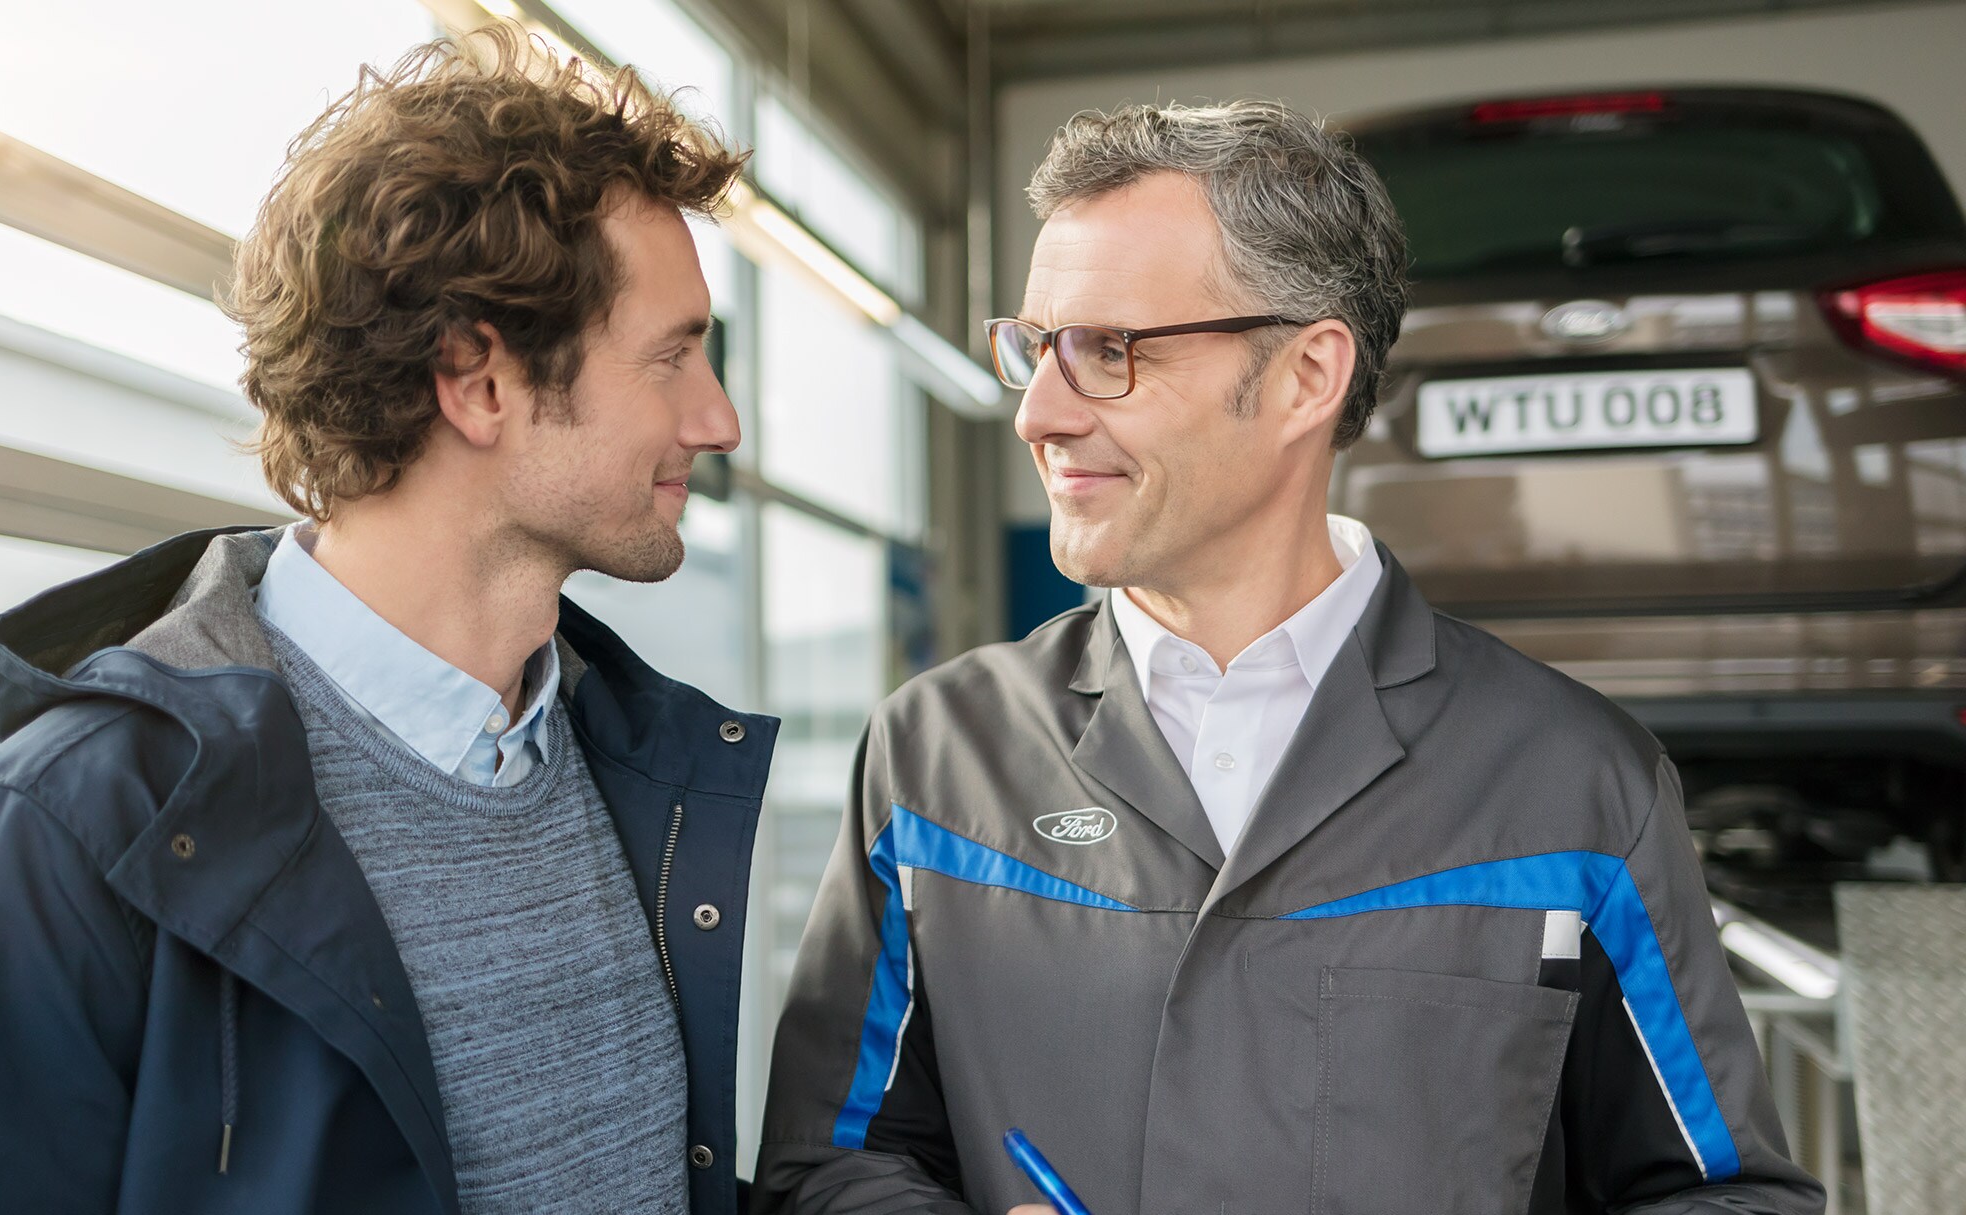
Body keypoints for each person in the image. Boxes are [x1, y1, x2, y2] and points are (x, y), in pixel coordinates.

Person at [756, 101, 1821, 1215]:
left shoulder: (1577, 786)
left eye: (1108, 352)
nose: (1039, 412)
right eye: (1034, 347)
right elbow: (827, 1166)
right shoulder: (935, 760)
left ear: (1308, 377)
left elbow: (1727, 1196)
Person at [0, 29, 774, 1215]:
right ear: (478, 383)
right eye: (673, 357)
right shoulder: (53, 840)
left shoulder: (635, 770)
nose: (717, 421)